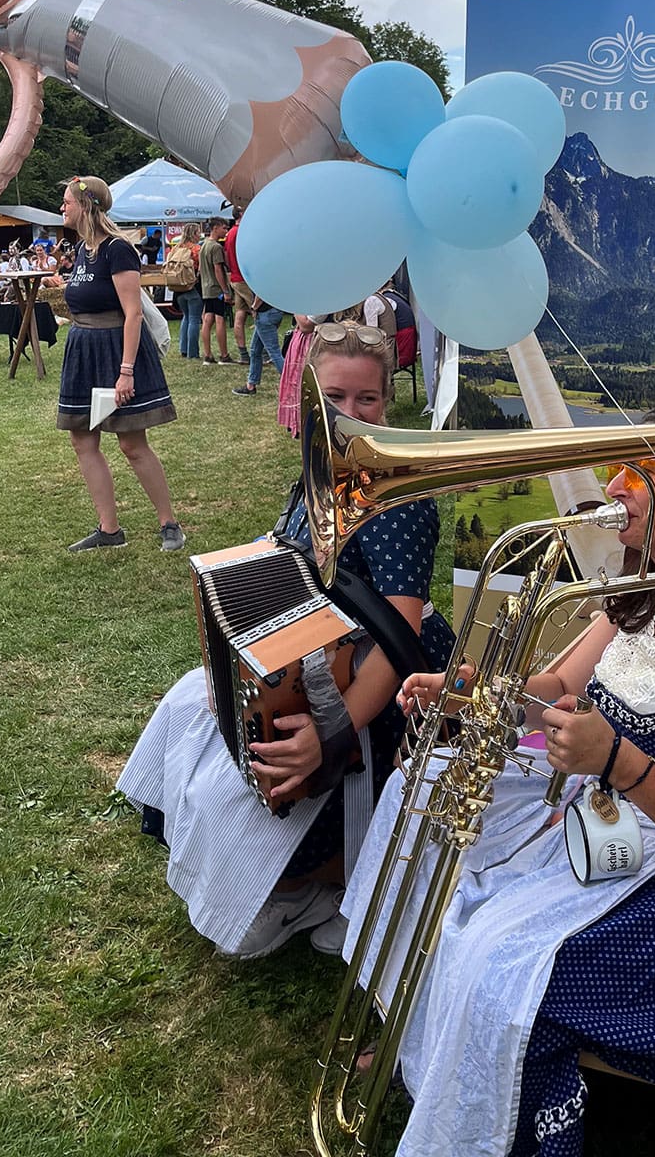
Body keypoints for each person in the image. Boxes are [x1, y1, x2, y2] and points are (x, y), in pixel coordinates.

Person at [340, 400, 655, 1157]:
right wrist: (467, 689)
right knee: (426, 797)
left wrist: (619, 761)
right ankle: (432, 1042)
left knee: (504, 953)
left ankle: (482, 1081)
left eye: (644, 470)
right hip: (618, 825)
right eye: (618, 465)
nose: (618, 484)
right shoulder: (650, 587)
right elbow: (549, 689)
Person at [118, 322, 454, 958]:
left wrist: (333, 736)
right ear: (309, 402)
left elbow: (400, 637)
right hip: (311, 657)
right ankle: (289, 881)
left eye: (367, 400)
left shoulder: (400, 497)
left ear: (389, 403)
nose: (350, 415)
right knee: (194, 709)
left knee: (254, 780)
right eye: (334, 399)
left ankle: (317, 885)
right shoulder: (318, 473)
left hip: (379, 685)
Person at [56, 175, 184, 554]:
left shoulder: (117, 249)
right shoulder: (83, 250)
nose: (62, 208)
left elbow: (133, 314)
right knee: (82, 439)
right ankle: (109, 529)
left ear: (87, 205)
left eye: (67, 202)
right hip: (82, 350)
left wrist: (125, 371)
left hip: (116, 350)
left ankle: (169, 523)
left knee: (131, 443)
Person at [230, 287, 284, 399]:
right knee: (255, 350)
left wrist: (254, 307)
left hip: (264, 314)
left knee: (274, 352)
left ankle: (292, 385)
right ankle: (251, 385)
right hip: (274, 311)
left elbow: (262, 292)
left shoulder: (261, 273)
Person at [276, 313, 319, 437]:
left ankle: (305, 424)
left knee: (305, 385)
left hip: (311, 343)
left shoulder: (324, 300)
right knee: (295, 384)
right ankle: (296, 422)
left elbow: (306, 325)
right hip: (301, 341)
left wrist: (295, 307)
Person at [197, 217, 233, 364]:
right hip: (216, 289)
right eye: (224, 228)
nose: (226, 231)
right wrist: (225, 290)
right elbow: (218, 269)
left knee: (207, 319)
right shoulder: (216, 247)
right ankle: (224, 355)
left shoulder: (203, 245)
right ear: (215, 227)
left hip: (206, 287)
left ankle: (207, 354)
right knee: (219, 319)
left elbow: (200, 268)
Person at [170, 223, 204, 360]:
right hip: (192, 287)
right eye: (198, 233)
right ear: (194, 234)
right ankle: (193, 352)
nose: (199, 235)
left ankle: (183, 349)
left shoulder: (175, 249)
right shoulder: (196, 249)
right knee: (195, 319)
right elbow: (201, 269)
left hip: (178, 289)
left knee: (186, 317)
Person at [223, 206, 252, 363]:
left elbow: (227, 257)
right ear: (241, 214)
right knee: (259, 313)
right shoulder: (242, 232)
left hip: (235, 278)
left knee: (240, 315)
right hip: (245, 279)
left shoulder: (230, 233)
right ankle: (262, 352)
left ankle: (243, 354)